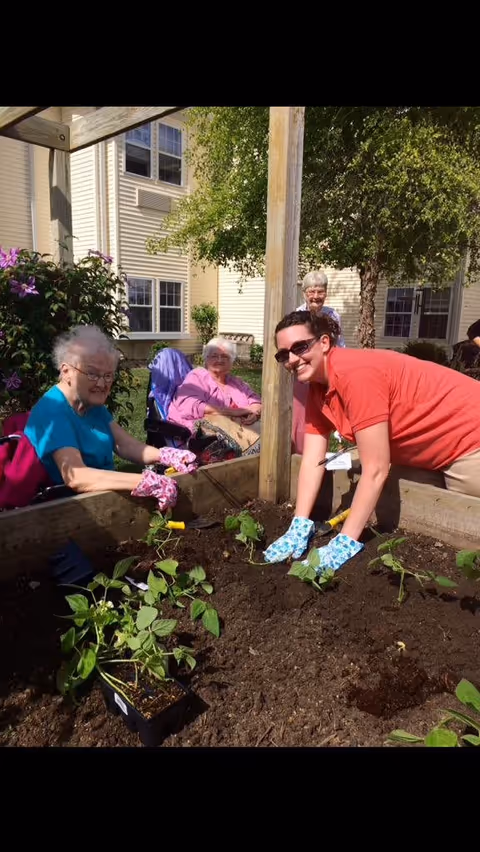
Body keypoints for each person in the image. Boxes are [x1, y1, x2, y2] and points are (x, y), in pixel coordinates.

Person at [264, 310, 480, 572]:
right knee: (407, 497)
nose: (293, 359)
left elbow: (376, 468)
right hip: (427, 451)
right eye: (283, 354)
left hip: (469, 438)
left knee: (462, 517)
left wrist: (346, 540)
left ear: (324, 342)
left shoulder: (355, 374)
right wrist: (299, 523)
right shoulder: (317, 390)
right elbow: (312, 459)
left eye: (300, 347)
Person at [24, 325, 197, 511]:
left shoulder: (90, 404)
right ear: (66, 371)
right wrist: (145, 481)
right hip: (68, 514)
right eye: (92, 373)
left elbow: (125, 445)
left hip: (101, 503)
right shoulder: (53, 411)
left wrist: (165, 454)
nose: (101, 383)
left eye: (108, 376)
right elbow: (76, 477)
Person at [167, 337, 262, 460]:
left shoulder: (236, 382)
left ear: (231, 361)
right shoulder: (197, 377)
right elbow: (189, 405)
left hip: (243, 430)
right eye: (214, 356)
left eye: (225, 356)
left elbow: (255, 400)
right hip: (209, 439)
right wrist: (234, 411)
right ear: (206, 359)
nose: (219, 360)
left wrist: (255, 412)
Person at [292, 270, 345, 454]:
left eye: (320, 291)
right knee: (302, 417)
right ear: (304, 293)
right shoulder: (297, 317)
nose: (316, 296)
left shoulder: (333, 315)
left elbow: (339, 345)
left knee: (329, 413)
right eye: (311, 291)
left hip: (326, 374)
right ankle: (300, 453)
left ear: (326, 292)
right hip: (304, 374)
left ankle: (328, 454)